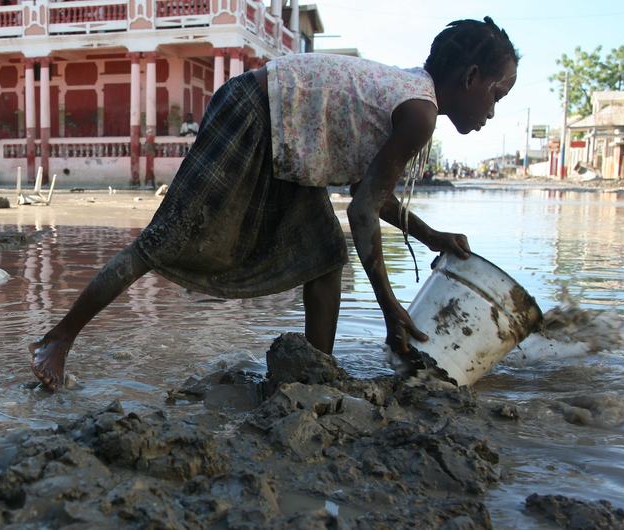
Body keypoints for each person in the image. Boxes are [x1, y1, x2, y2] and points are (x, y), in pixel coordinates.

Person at [29, 17, 519, 390]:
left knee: (326, 256)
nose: (493, 112)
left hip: (292, 138)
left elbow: (371, 194)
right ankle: (59, 337)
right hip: (254, 112)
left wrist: (432, 237)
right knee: (167, 239)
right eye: (496, 94)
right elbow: (364, 212)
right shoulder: (418, 113)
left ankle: (315, 376)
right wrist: (390, 308)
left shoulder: (413, 101)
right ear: (471, 77)